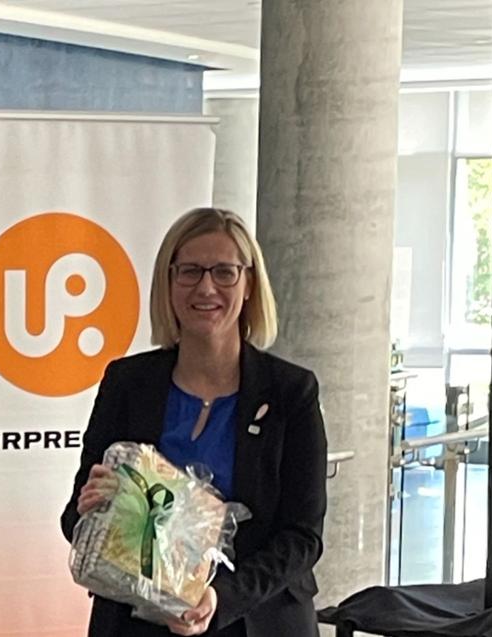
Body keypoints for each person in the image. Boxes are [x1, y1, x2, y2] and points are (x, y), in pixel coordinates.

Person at [61, 207, 327, 636]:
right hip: (136, 625)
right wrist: (93, 511)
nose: (206, 287)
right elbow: (73, 518)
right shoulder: (127, 383)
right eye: (189, 271)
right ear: (168, 283)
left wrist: (219, 597)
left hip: (254, 620)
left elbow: (303, 537)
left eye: (224, 272)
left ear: (249, 285)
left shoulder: (291, 392)